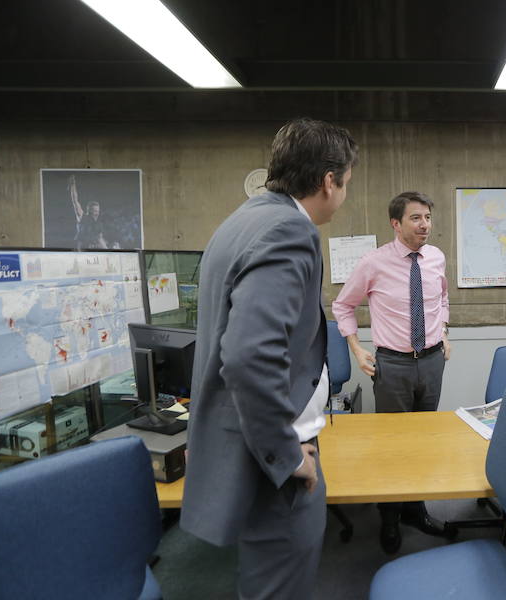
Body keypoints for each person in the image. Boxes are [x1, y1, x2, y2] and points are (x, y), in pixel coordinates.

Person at [180, 118, 358, 599]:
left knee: (262, 579)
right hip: (273, 459)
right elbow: (248, 356)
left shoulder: (243, 220)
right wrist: (286, 456)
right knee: (280, 585)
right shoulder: (289, 232)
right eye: (346, 182)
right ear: (329, 180)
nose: (344, 193)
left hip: (243, 440)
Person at [332, 191, 451, 554]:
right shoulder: (373, 263)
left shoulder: (436, 258)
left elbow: (442, 298)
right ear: (396, 224)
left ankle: (416, 510)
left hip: (431, 362)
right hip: (393, 365)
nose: (425, 225)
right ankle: (389, 517)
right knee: (392, 448)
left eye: (428, 217)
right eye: (416, 218)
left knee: (422, 444)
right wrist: (355, 348)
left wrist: (444, 329)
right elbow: (343, 305)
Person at [69, 174, 108, 249]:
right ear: (89, 211)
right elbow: (75, 201)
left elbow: (100, 239)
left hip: (91, 250)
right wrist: (72, 186)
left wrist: (107, 250)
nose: (97, 213)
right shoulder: (82, 217)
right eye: (95, 211)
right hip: (80, 249)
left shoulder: (99, 224)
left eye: (98, 211)